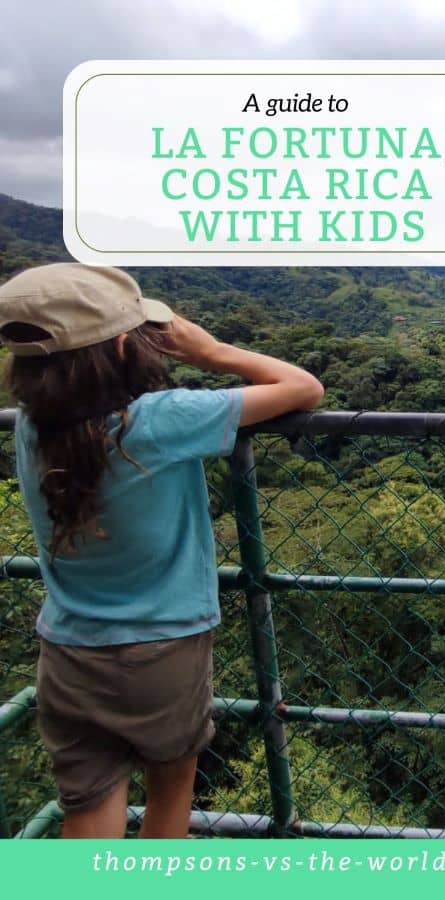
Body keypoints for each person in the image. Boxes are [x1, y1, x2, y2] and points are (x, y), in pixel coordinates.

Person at [0, 263, 324, 839]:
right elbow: (303, 388)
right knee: (170, 792)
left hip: (69, 648)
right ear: (123, 346)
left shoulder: (30, 427)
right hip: (164, 646)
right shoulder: (159, 420)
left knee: (88, 806)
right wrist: (211, 351)